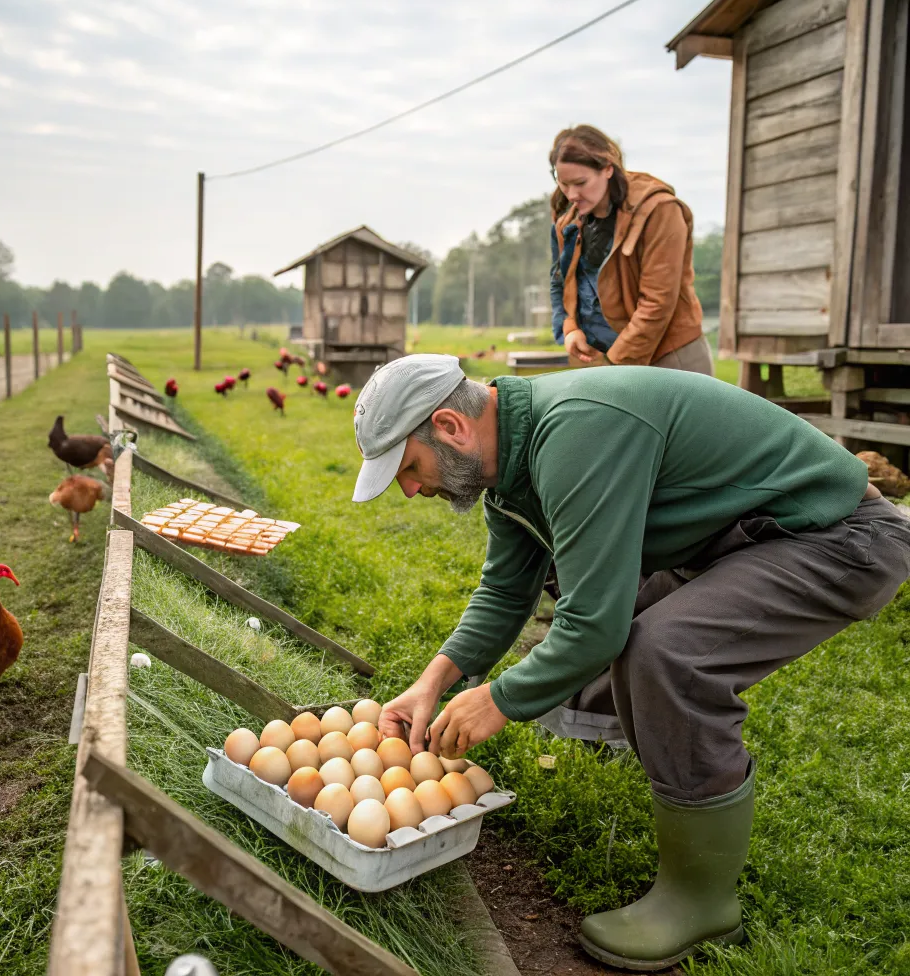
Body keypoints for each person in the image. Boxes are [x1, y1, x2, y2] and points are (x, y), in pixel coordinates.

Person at [350, 353, 910, 971]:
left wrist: (499, 701)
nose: (409, 488)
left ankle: (701, 903)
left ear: (451, 427)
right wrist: (433, 682)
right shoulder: (510, 473)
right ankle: (655, 754)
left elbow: (595, 626)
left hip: (835, 536)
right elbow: (507, 592)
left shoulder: (577, 430)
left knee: (666, 653)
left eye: (408, 467)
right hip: (745, 539)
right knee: (624, 626)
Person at [548, 125, 714, 374]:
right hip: (602, 363)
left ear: (607, 169)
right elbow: (560, 282)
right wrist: (570, 327)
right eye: (563, 183)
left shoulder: (659, 211)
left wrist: (614, 364)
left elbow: (656, 303)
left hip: (667, 360)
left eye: (581, 183)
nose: (572, 194)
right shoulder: (568, 219)